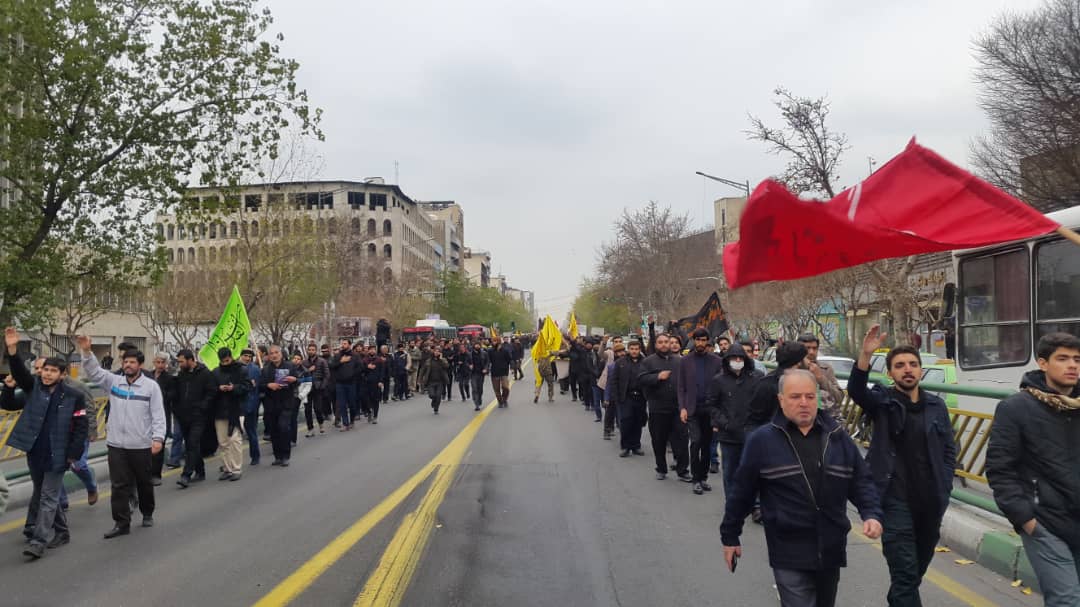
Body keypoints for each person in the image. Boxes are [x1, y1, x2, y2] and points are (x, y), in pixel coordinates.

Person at [720, 369, 884, 607]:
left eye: (809, 396)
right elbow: (741, 493)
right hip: (788, 546)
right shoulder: (762, 441)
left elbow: (860, 480)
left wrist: (871, 514)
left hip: (831, 546)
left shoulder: (837, 437)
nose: (804, 403)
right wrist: (730, 536)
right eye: (795, 397)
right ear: (781, 400)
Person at [848, 326, 957, 607]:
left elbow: (948, 450)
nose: (907, 370)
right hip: (893, 500)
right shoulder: (882, 402)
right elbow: (857, 390)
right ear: (890, 373)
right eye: (899, 366)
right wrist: (865, 355)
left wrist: (944, 488)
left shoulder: (936, 406)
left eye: (912, 364)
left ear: (920, 370)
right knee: (906, 573)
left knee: (913, 573)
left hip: (930, 502)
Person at [987, 332, 1080, 607]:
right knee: (1067, 600)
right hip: (1045, 522)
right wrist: (1027, 521)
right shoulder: (1015, 408)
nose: (1072, 365)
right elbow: (999, 470)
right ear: (1043, 363)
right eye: (1062, 359)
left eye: (1077, 359)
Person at [3, 328, 88, 559]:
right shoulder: (34, 388)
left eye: (53, 371)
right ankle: (62, 531)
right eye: (45, 370)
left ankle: (38, 541)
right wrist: (12, 350)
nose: (47, 374)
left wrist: (73, 454)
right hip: (35, 452)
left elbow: (81, 427)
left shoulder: (73, 396)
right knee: (43, 493)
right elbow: (20, 373)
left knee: (49, 497)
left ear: (62, 374)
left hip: (59, 454)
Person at [76, 334, 165, 539]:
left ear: (140, 365)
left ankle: (147, 512)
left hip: (141, 444)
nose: (128, 365)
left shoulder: (151, 387)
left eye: (132, 362)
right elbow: (94, 372)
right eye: (125, 362)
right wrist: (87, 352)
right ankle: (121, 522)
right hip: (116, 444)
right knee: (118, 485)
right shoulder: (114, 382)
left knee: (143, 482)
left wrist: (158, 439)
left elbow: (158, 415)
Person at [707, 342, 763, 500]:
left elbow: (764, 402)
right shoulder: (718, 380)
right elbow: (712, 405)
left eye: (741, 357)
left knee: (754, 471)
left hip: (752, 433)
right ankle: (732, 503)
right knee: (730, 472)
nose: (737, 360)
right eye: (734, 357)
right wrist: (724, 423)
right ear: (727, 359)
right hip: (729, 436)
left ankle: (755, 505)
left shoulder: (757, 377)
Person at [677, 328, 725, 496]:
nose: (700, 343)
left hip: (709, 410)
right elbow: (681, 387)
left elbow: (721, 387)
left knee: (706, 445)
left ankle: (703, 477)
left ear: (708, 342)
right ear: (694, 341)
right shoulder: (685, 361)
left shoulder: (716, 361)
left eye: (704, 340)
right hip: (692, 409)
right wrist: (682, 408)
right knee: (695, 441)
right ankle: (695, 479)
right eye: (698, 340)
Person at [638, 333, 690, 481]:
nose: (664, 345)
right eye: (660, 342)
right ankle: (661, 468)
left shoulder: (680, 361)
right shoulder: (648, 362)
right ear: (656, 345)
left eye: (666, 342)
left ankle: (683, 470)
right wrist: (657, 377)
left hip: (678, 408)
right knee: (659, 440)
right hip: (658, 408)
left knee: (681, 439)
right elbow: (640, 379)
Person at [174, 349, 216, 488]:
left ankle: (186, 474)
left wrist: (203, 406)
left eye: (181, 361)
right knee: (192, 444)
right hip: (183, 416)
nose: (179, 364)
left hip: (199, 416)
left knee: (192, 443)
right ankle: (200, 471)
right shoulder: (181, 375)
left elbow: (212, 392)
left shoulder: (205, 374)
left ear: (190, 360)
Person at [212, 349, 250, 482]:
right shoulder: (216, 372)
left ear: (231, 357)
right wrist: (219, 389)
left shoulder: (241, 370)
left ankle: (237, 468)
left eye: (227, 360)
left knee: (235, 440)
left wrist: (234, 388)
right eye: (223, 361)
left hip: (236, 409)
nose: (225, 363)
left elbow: (247, 387)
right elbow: (210, 389)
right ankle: (227, 468)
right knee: (223, 442)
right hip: (220, 411)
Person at [259, 346, 299, 466]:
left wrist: (294, 379)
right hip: (271, 404)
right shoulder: (265, 370)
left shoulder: (290, 366)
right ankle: (278, 456)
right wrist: (268, 385)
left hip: (286, 402)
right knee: (274, 430)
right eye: (271, 353)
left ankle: (286, 456)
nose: (274, 355)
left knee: (283, 427)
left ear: (281, 354)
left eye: (276, 352)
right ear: (269, 355)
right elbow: (260, 386)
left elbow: (298, 381)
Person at [797, 333, 845, 423]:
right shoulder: (793, 369)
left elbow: (839, 397)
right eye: (807, 348)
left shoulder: (825, 369)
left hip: (826, 419)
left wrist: (821, 379)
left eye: (814, 348)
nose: (811, 352)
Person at [611, 340, 647, 457]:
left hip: (641, 397)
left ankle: (636, 445)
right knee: (626, 421)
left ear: (640, 350)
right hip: (626, 397)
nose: (634, 351)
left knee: (638, 422)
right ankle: (626, 446)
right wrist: (616, 397)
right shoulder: (620, 362)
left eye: (636, 349)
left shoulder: (645, 362)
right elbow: (614, 380)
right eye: (632, 349)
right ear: (628, 349)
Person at [148, 353, 176, 486]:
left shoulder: (170, 378)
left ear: (166, 364)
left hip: (162, 414)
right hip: (147, 415)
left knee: (158, 445)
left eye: (162, 363)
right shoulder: (148, 375)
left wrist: (158, 393)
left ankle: (156, 474)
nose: (159, 365)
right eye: (157, 362)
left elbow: (172, 395)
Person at [330, 340, 360, 431]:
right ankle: (345, 423)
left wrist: (352, 375)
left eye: (345, 343)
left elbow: (360, 367)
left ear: (350, 345)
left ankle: (352, 421)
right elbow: (332, 366)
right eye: (342, 344)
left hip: (351, 383)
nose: (343, 345)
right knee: (342, 404)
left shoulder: (355, 356)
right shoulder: (338, 356)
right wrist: (341, 361)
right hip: (340, 383)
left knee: (352, 404)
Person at [239, 349, 262, 465]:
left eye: (249, 356)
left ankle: (255, 456)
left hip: (250, 404)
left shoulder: (254, 369)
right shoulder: (236, 368)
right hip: (237, 405)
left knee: (251, 431)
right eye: (245, 356)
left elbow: (255, 388)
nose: (247, 358)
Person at [302, 342, 330, 437]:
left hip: (318, 388)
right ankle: (310, 429)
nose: (311, 351)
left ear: (316, 351)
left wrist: (322, 385)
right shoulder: (304, 362)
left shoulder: (322, 361)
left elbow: (327, 375)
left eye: (313, 350)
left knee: (318, 409)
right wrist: (308, 370)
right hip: (306, 389)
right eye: (309, 350)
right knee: (307, 410)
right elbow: (300, 374)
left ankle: (321, 425)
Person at [490, 338, 514, 408]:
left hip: (504, 372)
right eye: (493, 341)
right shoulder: (490, 351)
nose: (493, 342)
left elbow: (510, 359)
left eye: (495, 341)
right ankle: (500, 402)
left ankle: (504, 399)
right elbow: (487, 360)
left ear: (498, 342)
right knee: (496, 389)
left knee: (505, 387)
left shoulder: (505, 351)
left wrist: (512, 368)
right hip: (494, 372)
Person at [426, 347, 451, 414]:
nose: (436, 352)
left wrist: (441, 360)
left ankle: (436, 409)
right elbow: (423, 370)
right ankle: (433, 400)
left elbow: (447, 366)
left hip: (440, 381)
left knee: (438, 396)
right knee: (432, 395)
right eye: (435, 351)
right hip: (431, 381)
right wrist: (421, 379)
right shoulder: (429, 360)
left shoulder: (443, 360)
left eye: (438, 351)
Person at [469, 341, 490, 411]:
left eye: (478, 345)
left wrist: (485, 369)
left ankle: (479, 398)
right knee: (474, 389)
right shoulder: (470, 354)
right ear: (474, 346)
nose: (477, 346)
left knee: (480, 389)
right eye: (476, 345)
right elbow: (466, 362)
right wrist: (469, 366)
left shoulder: (484, 353)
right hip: (473, 374)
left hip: (481, 374)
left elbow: (487, 362)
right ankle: (476, 404)